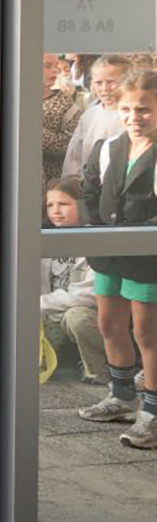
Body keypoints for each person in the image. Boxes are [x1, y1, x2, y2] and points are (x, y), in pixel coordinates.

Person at [76, 69, 157, 449]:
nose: (134, 117)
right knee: (110, 323)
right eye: (126, 108)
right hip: (109, 252)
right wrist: (94, 225)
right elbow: (88, 189)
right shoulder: (109, 147)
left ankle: (153, 414)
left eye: (144, 109)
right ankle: (122, 396)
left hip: (146, 257)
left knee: (147, 334)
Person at [40, 177, 106, 385]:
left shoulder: (94, 239)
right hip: (49, 319)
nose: (56, 211)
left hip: (80, 318)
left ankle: (100, 371)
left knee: (77, 317)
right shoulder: (43, 239)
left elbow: (90, 294)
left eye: (64, 204)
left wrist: (40, 305)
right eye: (50, 205)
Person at [61, 54, 132, 179]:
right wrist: (70, 181)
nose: (105, 88)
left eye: (111, 82)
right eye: (99, 83)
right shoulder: (89, 114)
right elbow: (75, 155)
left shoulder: (134, 116)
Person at [41, 53, 83, 189]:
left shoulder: (66, 105)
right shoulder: (15, 101)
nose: (54, 71)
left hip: (51, 185)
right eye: (47, 66)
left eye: (56, 66)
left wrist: (32, 131)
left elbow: (70, 147)